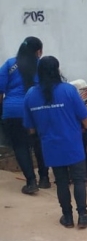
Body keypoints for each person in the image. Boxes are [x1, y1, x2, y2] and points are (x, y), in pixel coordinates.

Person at [23, 56, 87, 229]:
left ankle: (67, 217)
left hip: (50, 146)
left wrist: (36, 138)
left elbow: (30, 128)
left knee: (61, 182)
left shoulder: (31, 95)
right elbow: (84, 117)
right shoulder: (69, 90)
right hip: (73, 144)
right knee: (78, 180)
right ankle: (83, 216)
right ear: (57, 70)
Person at [0, 36, 49, 194]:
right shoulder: (41, 65)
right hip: (37, 109)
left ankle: (31, 182)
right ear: (38, 51)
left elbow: (0, 91)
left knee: (20, 146)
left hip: (13, 111)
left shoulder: (9, 64)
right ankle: (44, 179)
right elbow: (49, 87)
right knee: (39, 143)